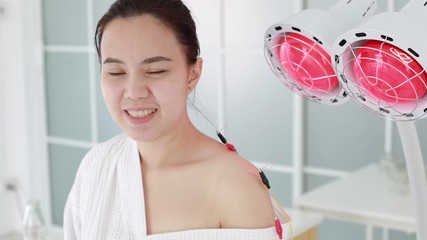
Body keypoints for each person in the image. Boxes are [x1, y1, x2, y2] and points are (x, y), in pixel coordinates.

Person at [63, 0, 290, 239]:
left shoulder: (235, 185)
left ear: (192, 75)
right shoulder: (97, 166)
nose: (134, 92)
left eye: (155, 71)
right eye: (116, 72)